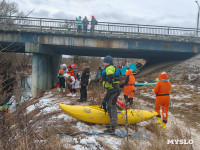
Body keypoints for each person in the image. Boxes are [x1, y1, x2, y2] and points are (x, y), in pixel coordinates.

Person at [101, 55, 120, 133]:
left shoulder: (109, 68)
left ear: (107, 62)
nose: (103, 63)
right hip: (111, 90)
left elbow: (111, 76)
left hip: (113, 90)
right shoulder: (110, 67)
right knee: (108, 106)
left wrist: (108, 82)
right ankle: (111, 124)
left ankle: (112, 127)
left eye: (104, 62)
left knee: (112, 107)